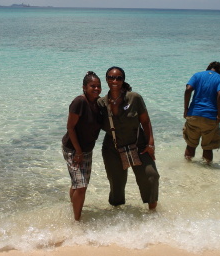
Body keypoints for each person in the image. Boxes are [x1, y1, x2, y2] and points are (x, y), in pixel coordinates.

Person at [98, 66, 159, 210]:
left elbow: (145, 121)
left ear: (123, 80)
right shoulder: (101, 103)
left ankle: (153, 216)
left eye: (119, 78)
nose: (115, 80)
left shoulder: (134, 98)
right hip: (112, 148)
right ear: (106, 80)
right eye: (111, 77)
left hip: (138, 145)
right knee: (116, 184)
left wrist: (150, 144)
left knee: (151, 177)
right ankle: (119, 218)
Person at [62, 71, 102, 221]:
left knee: (78, 183)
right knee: (81, 186)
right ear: (84, 87)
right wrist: (78, 151)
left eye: (98, 86)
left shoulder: (97, 103)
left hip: (87, 149)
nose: (96, 89)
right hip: (73, 149)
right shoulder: (79, 102)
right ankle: (77, 221)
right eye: (93, 86)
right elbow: (70, 128)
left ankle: (71, 208)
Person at [183, 61, 220, 164]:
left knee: (191, 144)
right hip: (210, 117)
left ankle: (187, 166)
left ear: (208, 68)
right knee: (208, 147)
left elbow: (188, 89)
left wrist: (186, 109)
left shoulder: (197, 75)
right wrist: (219, 115)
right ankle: (207, 169)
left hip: (193, 114)